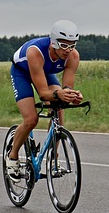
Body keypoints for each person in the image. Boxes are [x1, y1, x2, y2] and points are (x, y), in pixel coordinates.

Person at [7, 20, 84, 179]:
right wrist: (58, 94)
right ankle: (12, 157)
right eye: (64, 45)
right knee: (31, 119)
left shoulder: (73, 56)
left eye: (72, 45)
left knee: (59, 106)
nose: (68, 50)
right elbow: (43, 93)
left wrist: (72, 95)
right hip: (22, 72)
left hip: (44, 72)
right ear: (54, 42)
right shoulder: (36, 52)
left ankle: (53, 157)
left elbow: (66, 88)